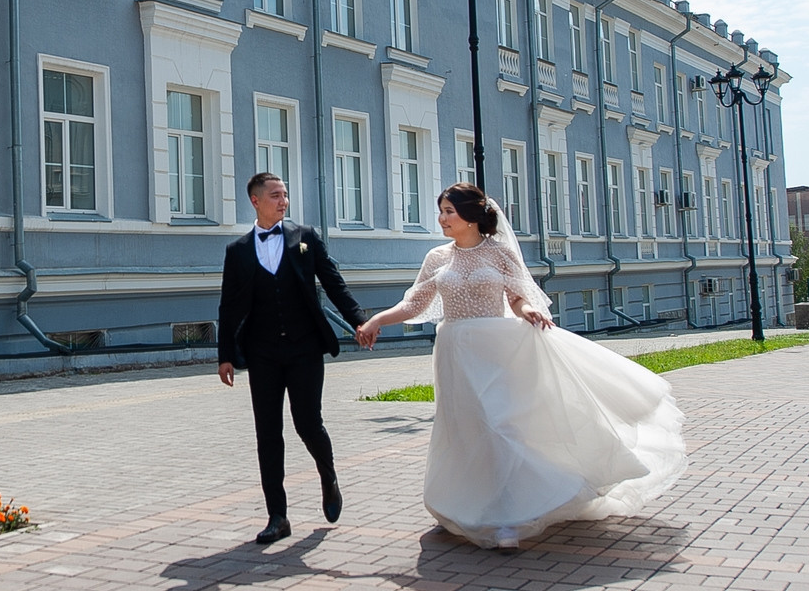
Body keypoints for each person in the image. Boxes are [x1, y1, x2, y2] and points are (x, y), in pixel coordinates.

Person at [353, 184, 685, 549]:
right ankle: (467, 506)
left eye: (449, 211)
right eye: (442, 211)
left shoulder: (499, 254)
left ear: (472, 215)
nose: (442, 218)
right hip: (455, 352)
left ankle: (509, 517)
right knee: (466, 431)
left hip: (497, 350)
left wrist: (530, 313)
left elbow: (517, 297)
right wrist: (376, 321)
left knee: (500, 426)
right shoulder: (437, 258)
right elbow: (414, 304)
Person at [217, 172, 367, 545]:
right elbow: (229, 305)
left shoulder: (306, 238)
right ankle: (277, 516)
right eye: (275, 196)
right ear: (255, 201)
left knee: (307, 423)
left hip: (304, 349)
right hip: (262, 353)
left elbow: (334, 283)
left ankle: (328, 476)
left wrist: (360, 322)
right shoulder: (237, 251)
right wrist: (225, 356)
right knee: (268, 433)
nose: (283, 201)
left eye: (285, 195)